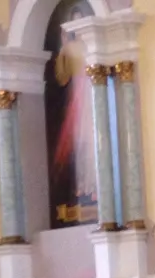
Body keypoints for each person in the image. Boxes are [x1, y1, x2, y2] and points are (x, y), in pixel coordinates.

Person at [52, 7, 97, 211]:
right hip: (78, 98)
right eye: (74, 23)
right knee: (80, 143)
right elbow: (62, 78)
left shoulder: (92, 44)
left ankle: (94, 186)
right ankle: (82, 187)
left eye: (81, 21)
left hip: (93, 92)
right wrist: (62, 49)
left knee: (93, 141)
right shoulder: (69, 48)